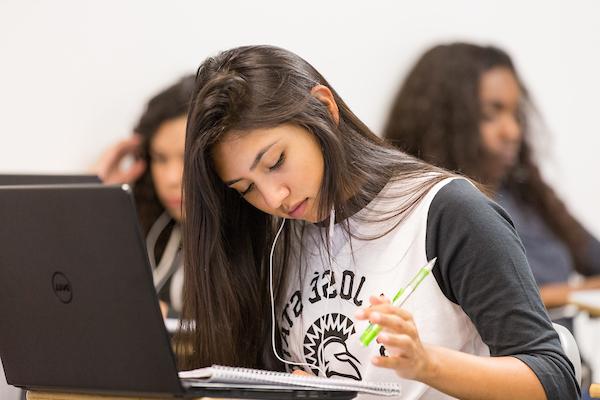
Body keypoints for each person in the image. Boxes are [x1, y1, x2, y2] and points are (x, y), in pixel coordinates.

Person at [179, 45, 578, 399]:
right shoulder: (273, 237)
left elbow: (553, 379)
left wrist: (427, 364)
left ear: (324, 108)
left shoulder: (444, 212)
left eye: (276, 162)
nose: (273, 198)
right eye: (245, 188)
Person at [381, 43, 600, 328]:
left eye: (515, 114)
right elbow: (436, 306)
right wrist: (561, 295)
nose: (512, 131)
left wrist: (568, 296)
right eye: (491, 114)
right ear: (447, 120)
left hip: (565, 367)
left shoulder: (530, 197)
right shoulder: (425, 208)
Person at [93, 75, 194, 317]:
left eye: (187, 158)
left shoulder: (256, 240)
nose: (171, 178)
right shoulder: (150, 225)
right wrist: (97, 193)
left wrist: (159, 318)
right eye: (160, 158)